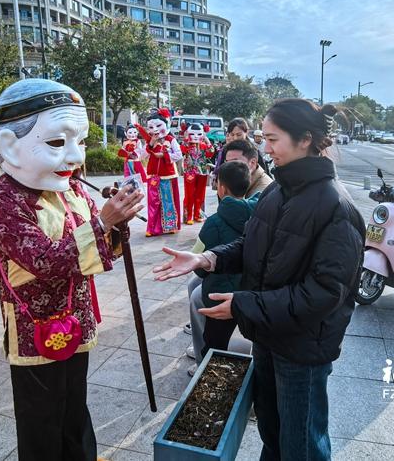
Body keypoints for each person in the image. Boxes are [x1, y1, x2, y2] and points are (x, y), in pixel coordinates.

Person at [154, 98, 365, 461]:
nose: (265, 149)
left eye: (273, 139)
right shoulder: (278, 191)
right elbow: (251, 241)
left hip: (302, 350)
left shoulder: (336, 207)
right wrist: (207, 258)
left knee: (301, 444)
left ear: (305, 140)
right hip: (267, 334)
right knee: (272, 430)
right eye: (262, 138)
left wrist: (243, 303)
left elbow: (324, 293)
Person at [0, 79, 143, 461]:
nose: (74, 158)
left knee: (75, 401)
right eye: (57, 143)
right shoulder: (5, 198)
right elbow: (44, 260)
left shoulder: (70, 189)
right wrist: (103, 224)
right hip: (35, 324)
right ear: (9, 146)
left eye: (80, 142)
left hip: (77, 313)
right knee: (41, 413)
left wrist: (117, 224)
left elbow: (99, 248)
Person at [186, 160, 257, 375]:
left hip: (218, 295)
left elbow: (198, 266)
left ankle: (207, 373)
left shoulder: (214, 222)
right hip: (251, 293)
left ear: (221, 188)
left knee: (214, 344)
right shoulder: (260, 213)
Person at [139, 109, 182, 236]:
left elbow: (178, 155)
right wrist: (151, 144)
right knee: (153, 201)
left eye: (158, 126)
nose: (155, 130)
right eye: (151, 127)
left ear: (166, 124)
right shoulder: (149, 141)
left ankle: (170, 226)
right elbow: (142, 156)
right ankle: (152, 228)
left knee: (168, 200)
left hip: (168, 175)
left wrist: (164, 155)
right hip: (153, 175)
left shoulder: (171, 139)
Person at [212, 117, 269, 189]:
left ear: (246, 132)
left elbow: (263, 172)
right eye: (232, 134)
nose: (235, 138)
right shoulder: (225, 150)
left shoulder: (253, 150)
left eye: (239, 135)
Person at [181, 122, 215, 224]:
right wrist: (186, 138)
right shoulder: (186, 145)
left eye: (199, 134)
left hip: (202, 172)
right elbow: (182, 150)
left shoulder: (204, 145)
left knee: (200, 194)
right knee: (189, 194)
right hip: (189, 172)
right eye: (193, 134)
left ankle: (198, 214)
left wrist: (207, 139)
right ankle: (188, 217)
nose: (196, 136)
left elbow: (211, 153)